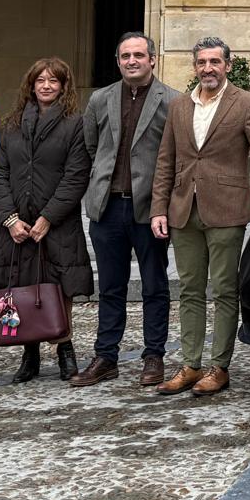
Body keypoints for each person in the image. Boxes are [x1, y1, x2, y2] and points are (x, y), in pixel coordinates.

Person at [151, 37, 250, 397]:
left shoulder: (245, 103)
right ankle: (191, 364)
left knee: (225, 290)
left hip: (226, 209)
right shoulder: (179, 106)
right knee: (190, 290)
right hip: (183, 211)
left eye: (214, 62)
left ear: (227, 65)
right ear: (194, 67)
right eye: (201, 62)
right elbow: (166, 161)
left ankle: (219, 367)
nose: (207, 68)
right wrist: (158, 209)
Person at [0, 57, 94, 383]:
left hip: (58, 225)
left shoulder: (75, 124)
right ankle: (28, 353)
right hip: (18, 227)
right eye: (40, 80)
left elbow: (76, 177)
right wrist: (9, 219)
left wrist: (48, 216)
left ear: (63, 86)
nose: (46, 86)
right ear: (31, 85)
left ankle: (65, 350)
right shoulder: (12, 124)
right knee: (20, 287)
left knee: (60, 289)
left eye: (53, 81)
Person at [72, 32, 174, 388]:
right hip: (108, 207)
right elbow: (90, 146)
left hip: (150, 211)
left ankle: (153, 355)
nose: (132, 61)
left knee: (154, 286)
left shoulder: (172, 101)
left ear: (153, 60)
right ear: (118, 61)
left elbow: (174, 157)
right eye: (125, 56)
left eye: (139, 55)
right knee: (111, 286)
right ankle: (106, 356)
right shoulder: (100, 99)